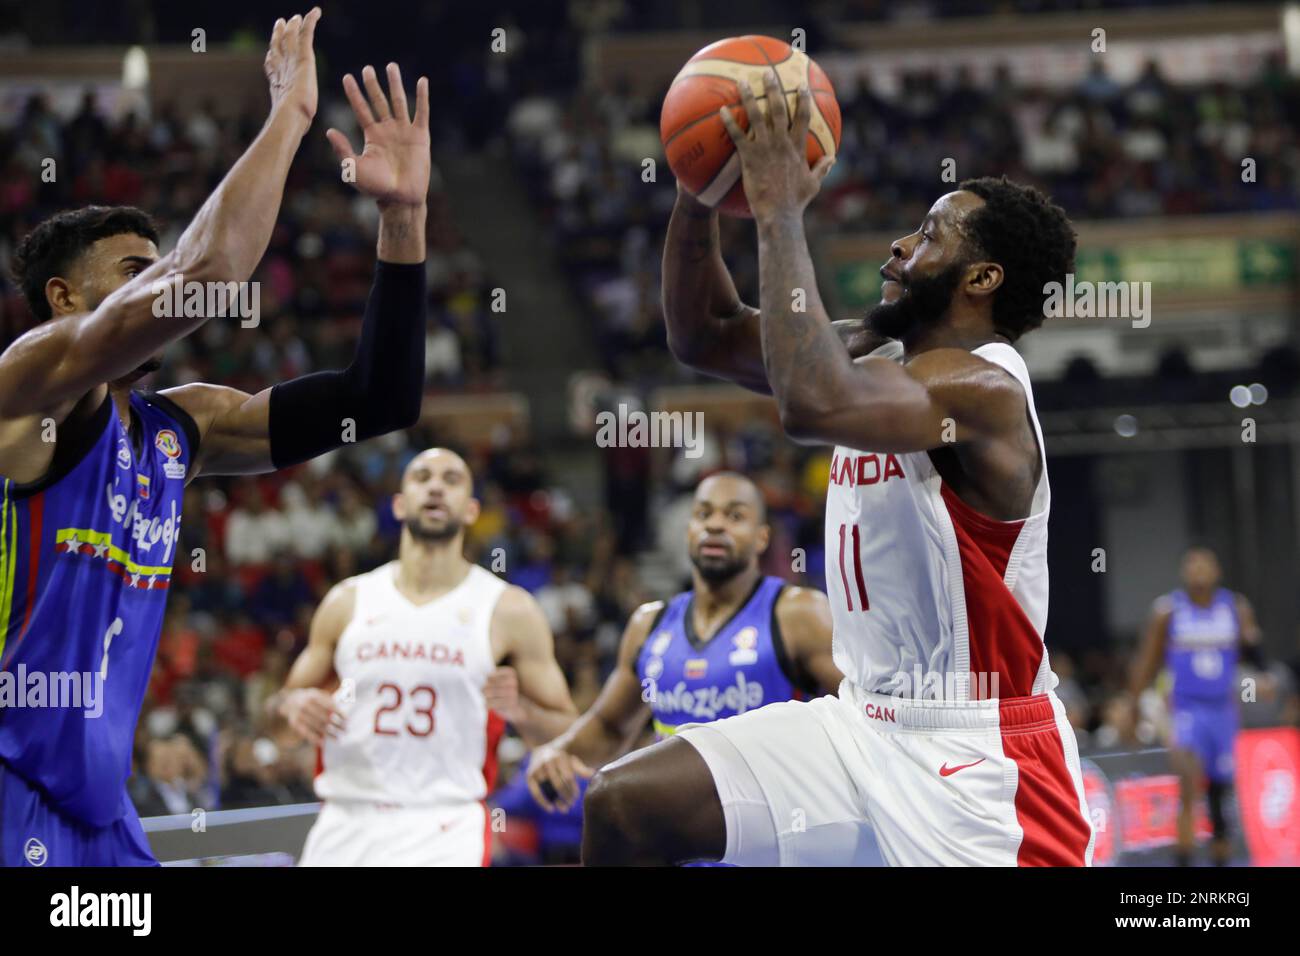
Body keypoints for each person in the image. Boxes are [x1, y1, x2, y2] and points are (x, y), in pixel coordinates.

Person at [582, 75, 1092, 866]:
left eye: (929, 236)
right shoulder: (873, 353)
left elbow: (811, 401)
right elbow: (703, 332)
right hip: (858, 726)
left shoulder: (985, 386)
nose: (899, 245)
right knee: (623, 807)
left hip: (981, 759)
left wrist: (780, 208)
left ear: (982, 279)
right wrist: (702, 190)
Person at [0, 8, 432, 866]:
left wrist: (404, 220)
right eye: (134, 275)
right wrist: (288, 116)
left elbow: (376, 397)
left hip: (98, 808)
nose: (156, 289)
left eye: (155, 266)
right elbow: (209, 272)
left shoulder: (181, 426)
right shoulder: (28, 382)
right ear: (63, 300)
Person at [276, 448, 577, 866]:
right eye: (421, 477)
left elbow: (569, 730)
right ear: (399, 504)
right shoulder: (348, 600)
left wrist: (521, 711)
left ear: (472, 510)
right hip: (346, 820)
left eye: (452, 479)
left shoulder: (509, 609)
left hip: (445, 827)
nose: (436, 486)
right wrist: (293, 704)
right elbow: (277, 720)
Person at [526, 472, 840, 821]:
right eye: (704, 514)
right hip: (679, 837)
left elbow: (860, 716)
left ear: (762, 537)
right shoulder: (649, 624)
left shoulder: (798, 613)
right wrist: (556, 751)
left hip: (774, 836)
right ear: (689, 529)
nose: (715, 525)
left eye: (734, 516)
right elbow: (610, 726)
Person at [1129, 546, 1264, 866]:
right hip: (1187, 709)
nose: (1199, 571)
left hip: (1223, 710)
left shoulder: (1235, 607)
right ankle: (1185, 861)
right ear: (1183, 573)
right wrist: (1134, 705)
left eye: (1205, 565)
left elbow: (1254, 653)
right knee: (1189, 783)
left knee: (1220, 792)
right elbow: (1146, 663)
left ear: (1217, 571)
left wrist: (1262, 676)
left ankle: (1221, 862)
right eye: (1192, 565)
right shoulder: (1168, 612)